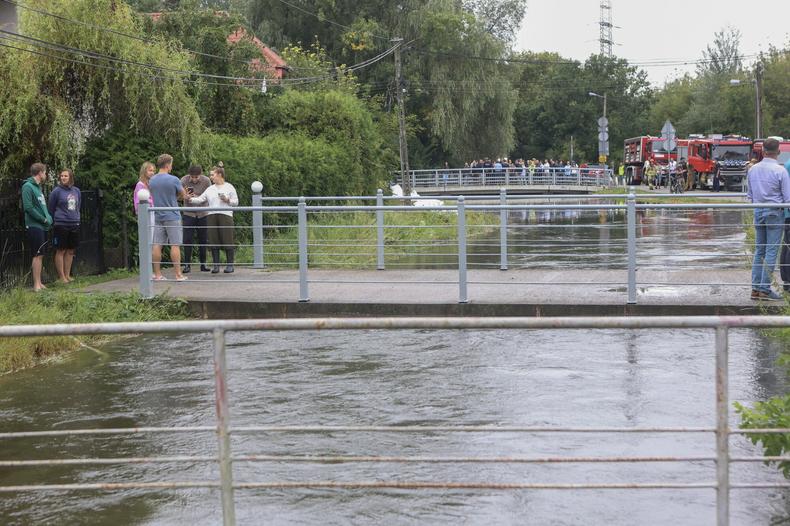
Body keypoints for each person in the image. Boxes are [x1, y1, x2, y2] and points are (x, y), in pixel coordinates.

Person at [747, 138, 790, 301]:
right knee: (772, 251)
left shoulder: (753, 169)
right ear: (778, 152)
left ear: (763, 151)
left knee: (759, 251)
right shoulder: (780, 171)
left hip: (758, 211)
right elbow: (787, 198)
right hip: (774, 213)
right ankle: (765, 289)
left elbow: (750, 195)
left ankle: (755, 288)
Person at [189, 165, 238, 273]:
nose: (210, 177)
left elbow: (236, 202)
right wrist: (190, 198)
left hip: (226, 215)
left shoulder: (229, 187)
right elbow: (201, 199)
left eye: (212, 174)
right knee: (213, 239)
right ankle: (216, 266)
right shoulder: (210, 189)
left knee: (227, 239)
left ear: (220, 175)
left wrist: (227, 200)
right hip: (211, 215)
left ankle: (230, 265)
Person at [148, 154, 187, 281]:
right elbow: (183, 195)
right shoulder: (174, 179)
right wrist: (182, 195)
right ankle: (178, 274)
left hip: (158, 215)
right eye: (171, 164)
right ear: (167, 165)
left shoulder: (152, 180)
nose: (171, 166)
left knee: (157, 245)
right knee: (175, 244)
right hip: (172, 215)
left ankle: (157, 274)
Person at [22, 163, 53, 291]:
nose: (45, 175)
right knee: (36, 254)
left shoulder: (38, 188)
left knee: (41, 255)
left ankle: (40, 283)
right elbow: (28, 208)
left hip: (43, 226)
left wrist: (49, 218)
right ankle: (36, 285)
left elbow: (42, 207)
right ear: (40, 172)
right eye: (45, 173)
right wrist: (43, 219)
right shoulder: (27, 187)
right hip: (34, 225)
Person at [47, 168, 81, 283]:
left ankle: (67, 275)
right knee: (60, 250)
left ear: (70, 177)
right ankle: (61, 277)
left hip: (74, 223)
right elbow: (51, 208)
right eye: (61, 176)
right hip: (61, 224)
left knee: (71, 250)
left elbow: (78, 206)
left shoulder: (76, 191)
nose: (63, 178)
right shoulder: (56, 191)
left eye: (65, 176)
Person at [180, 164, 211, 273]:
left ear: (200, 175)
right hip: (188, 213)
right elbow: (178, 195)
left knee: (203, 239)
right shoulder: (183, 180)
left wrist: (198, 198)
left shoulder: (207, 181)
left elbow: (210, 196)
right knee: (187, 239)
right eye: (192, 177)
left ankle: (203, 264)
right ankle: (187, 265)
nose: (193, 179)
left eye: (196, 177)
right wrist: (184, 196)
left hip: (203, 213)